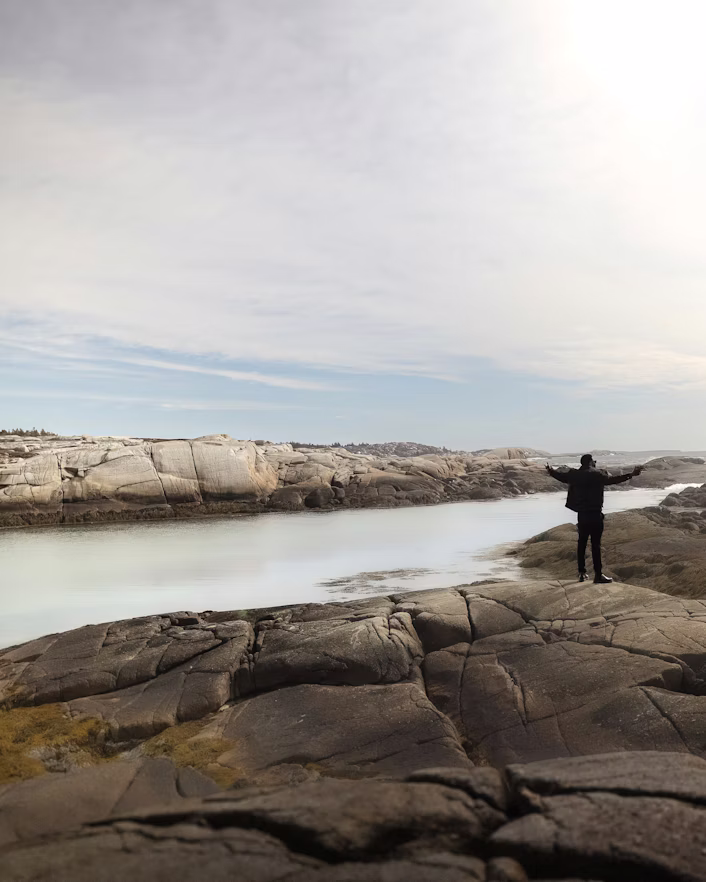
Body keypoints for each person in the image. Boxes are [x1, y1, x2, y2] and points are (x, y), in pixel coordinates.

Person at [545, 454, 644, 583]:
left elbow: (561, 477)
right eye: (594, 461)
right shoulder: (598, 474)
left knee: (582, 543)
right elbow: (613, 480)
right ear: (591, 462)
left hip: (582, 515)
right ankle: (598, 575)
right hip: (595, 514)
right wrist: (631, 474)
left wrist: (550, 470)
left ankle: (582, 573)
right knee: (595, 545)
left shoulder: (574, 475)